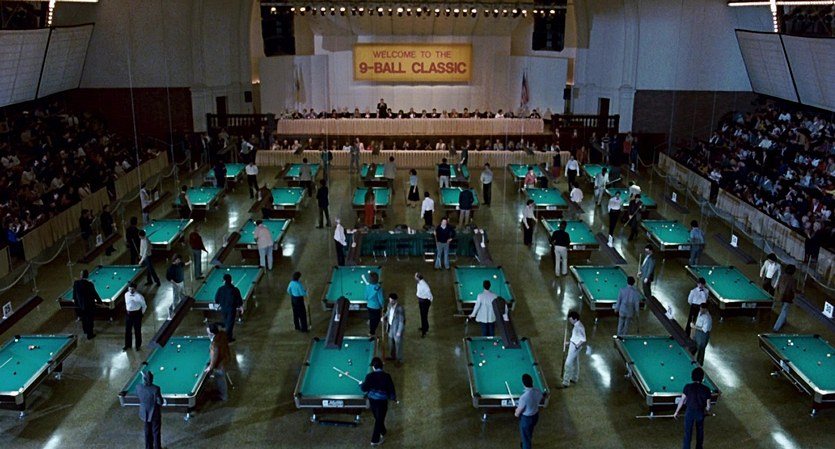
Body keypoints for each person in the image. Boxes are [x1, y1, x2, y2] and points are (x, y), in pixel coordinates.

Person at [360, 357, 397, 447]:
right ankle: (374, 441)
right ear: (381, 366)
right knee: (379, 419)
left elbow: (364, 389)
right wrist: (393, 398)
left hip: (372, 401)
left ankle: (383, 431)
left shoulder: (369, 376)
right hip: (382, 402)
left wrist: (360, 384)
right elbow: (391, 389)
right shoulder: (387, 376)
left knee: (378, 418)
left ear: (373, 367)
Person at [673, 367, 712, 449]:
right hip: (700, 412)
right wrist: (707, 412)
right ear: (702, 378)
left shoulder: (687, 387)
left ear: (692, 377)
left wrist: (676, 412)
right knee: (700, 432)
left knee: (687, 433)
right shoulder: (707, 389)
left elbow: (682, 401)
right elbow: (708, 407)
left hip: (689, 412)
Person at [135, 371, 164, 449]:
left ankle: (148, 447)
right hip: (154, 414)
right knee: (156, 431)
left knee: (147, 430)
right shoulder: (156, 389)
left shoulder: (138, 387)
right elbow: (160, 402)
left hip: (144, 412)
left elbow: (137, 395)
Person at [204, 322, 231, 401]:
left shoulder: (214, 344)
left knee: (220, 379)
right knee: (221, 379)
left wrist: (210, 367)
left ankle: (223, 396)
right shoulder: (222, 333)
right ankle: (220, 392)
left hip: (220, 365)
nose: (207, 334)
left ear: (212, 333)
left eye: (208, 333)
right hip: (227, 358)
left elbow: (214, 358)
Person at [515, 373, 543, 449]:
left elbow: (517, 414)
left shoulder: (523, 397)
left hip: (526, 419)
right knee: (529, 432)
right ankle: (527, 441)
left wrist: (516, 411)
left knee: (525, 438)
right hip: (535, 416)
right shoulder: (538, 391)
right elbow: (540, 399)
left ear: (523, 384)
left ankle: (526, 445)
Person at [73, 269, 103, 340]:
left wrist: (76, 302)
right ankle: (90, 335)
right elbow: (94, 294)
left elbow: (74, 294)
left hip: (80, 305)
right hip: (89, 305)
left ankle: (85, 330)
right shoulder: (90, 284)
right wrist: (100, 302)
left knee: (84, 318)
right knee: (90, 319)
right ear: (87, 276)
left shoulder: (76, 283)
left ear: (81, 275)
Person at [214, 273, 244, 342]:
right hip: (231, 309)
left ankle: (228, 337)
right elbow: (239, 300)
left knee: (227, 322)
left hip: (223, 309)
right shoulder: (235, 290)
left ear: (224, 281)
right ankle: (227, 338)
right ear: (231, 280)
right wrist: (241, 307)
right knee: (230, 324)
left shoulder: (220, 289)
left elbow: (216, 300)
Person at [562, 310, 586, 387]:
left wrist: (576, 346)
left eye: (571, 319)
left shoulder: (579, 327)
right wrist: (569, 342)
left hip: (575, 347)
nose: (570, 321)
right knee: (575, 362)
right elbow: (576, 337)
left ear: (575, 319)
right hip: (573, 344)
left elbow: (583, 339)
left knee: (568, 363)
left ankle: (566, 382)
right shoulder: (577, 325)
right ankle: (574, 378)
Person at [772, 264, 797, 332]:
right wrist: (800, 292)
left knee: (783, 309)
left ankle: (783, 322)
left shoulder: (781, 276)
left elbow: (778, 286)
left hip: (780, 295)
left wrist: (777, 294)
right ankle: (776, 328)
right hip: (788, 297)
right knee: (784, 312)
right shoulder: (793, 280)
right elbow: (794, 290)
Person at [124, 282, 147, 351]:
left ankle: (138, 346)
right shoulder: (126, 294)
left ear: (135, 289)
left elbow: (144, 306)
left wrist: (141, 313)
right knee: (127, 330)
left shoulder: (139, 296)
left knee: (137, 330)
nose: (131, 291)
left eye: (132, 289)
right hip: (128, 314)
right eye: (129, 289)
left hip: (137, 314)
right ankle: (127, 345)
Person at [385, 293, 406, 365]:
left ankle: (399, 360)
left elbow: (401, 321)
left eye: (392, 301)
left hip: (396, 329)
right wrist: (384, 317)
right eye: (390, 300)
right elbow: (387, 313)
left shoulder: (400, 308)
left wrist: (399, 331)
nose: (390, 302)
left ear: (395, 300)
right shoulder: (389, 305)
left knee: (398, 345)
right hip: (390, 327)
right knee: (391, 343)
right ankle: (392, 356)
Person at [366, 272, 385, 336]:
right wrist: (383, 306)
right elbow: (381, 299)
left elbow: (365, 297)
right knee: (376, 319)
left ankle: (370, 322)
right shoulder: (379, 289)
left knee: (372, 316)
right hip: (376, 307)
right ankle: (372, 332)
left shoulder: (367, 286)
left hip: (369, 306)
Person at [415, 272, 433, 338]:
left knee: (424, 316)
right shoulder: (419, 283)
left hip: (424, 302)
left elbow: (428, 291)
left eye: (415, 276)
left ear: (418, 278)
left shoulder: (423, 284)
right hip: (422, 301)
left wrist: (429, 299)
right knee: (422, 315)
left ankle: (424, 331)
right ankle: (425, 327)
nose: (414, 277)